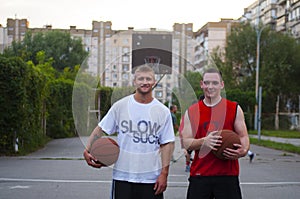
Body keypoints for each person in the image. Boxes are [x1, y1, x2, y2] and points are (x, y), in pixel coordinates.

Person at [83, 65, 175, 199]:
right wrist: (88, 149)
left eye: (148, 79)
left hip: (151, 178)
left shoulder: (163, 111)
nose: (144, 82)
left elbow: (167, 144)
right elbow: (101, 128)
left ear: (154, 82)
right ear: (134, 82)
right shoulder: (120, 106)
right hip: (123, 176)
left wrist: (164, 174)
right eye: (141, 79)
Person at [180, 68, 250, 199]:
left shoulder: (234, 108)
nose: (210, 87)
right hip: (200, 175)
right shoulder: (192, 111)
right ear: (202, 84)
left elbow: (243, 136)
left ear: (221, 85)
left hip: (227, 175)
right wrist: (203, 142)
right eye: (207, 83)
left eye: (214, 83)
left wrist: (244, 150)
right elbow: (186, 142)